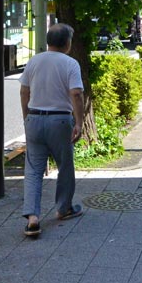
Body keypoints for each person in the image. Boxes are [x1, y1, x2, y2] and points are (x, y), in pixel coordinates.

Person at [19, 23, 85, 237]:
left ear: (49, 41)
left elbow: (23, 91)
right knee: (65, 165)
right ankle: (64, 208)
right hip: (60, 121)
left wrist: (26, 117)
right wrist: (79, 122)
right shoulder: (70, 63)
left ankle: (32, 218)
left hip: (35, 118)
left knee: (33, 169)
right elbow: (76, 94)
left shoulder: (34, 61)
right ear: (67, 43)